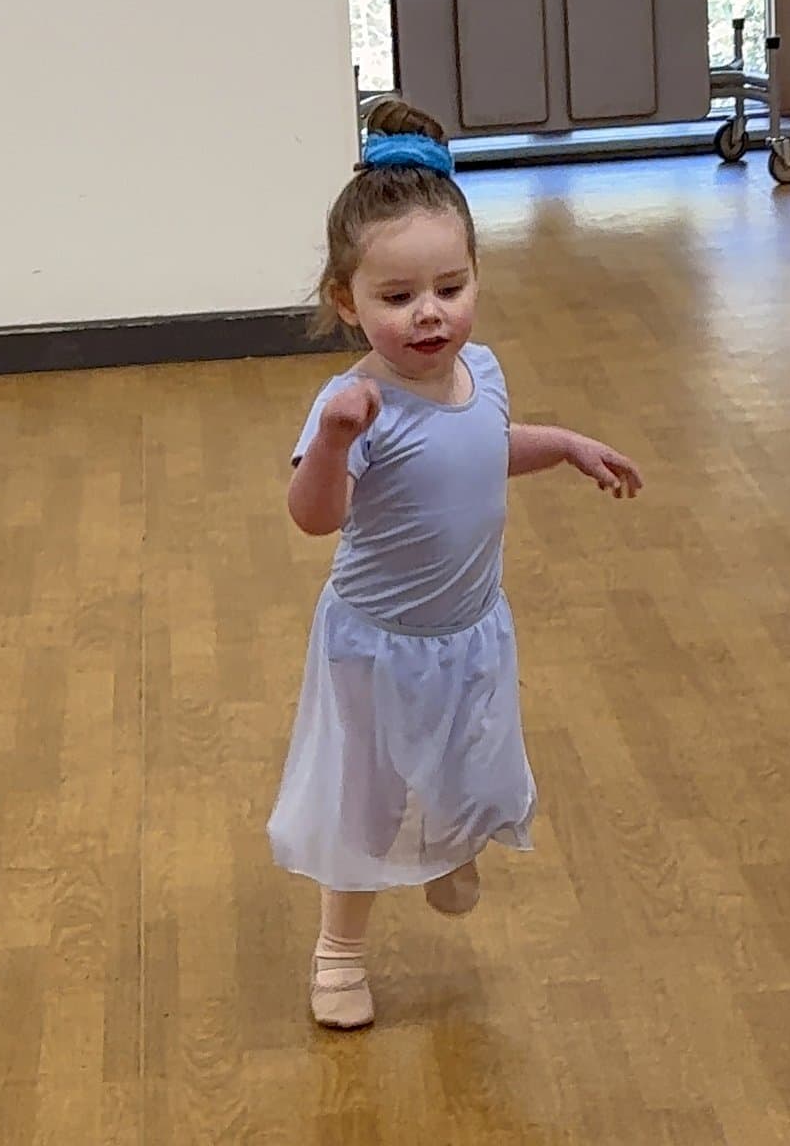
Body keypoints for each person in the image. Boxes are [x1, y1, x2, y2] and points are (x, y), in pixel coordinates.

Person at [267, 100, 643, 1030]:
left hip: (472, 631)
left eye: (450, 286)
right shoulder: (354, 403)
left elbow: (480, 448)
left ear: (475, 276)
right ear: (347, 303)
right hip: (377, 646)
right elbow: (314, 518)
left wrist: (559, 444)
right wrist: (330, 443)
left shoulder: (488, 371)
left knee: (474, 762)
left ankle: (447, 848)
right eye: (398, 299)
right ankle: (340, 956)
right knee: (367, 798)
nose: (430, 313)